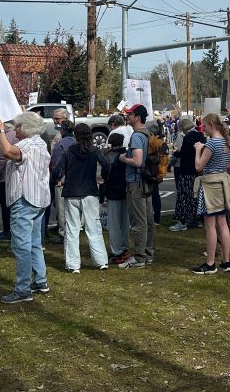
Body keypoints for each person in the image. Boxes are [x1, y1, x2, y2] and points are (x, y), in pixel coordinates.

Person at [0, 111, 51, 303]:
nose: (14, 129)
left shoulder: (26, 144)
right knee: (34, 242)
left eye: (17, 126)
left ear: (25, 128)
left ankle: (23, 289)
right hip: (39, 197)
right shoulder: (41, 142)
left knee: (22, 245)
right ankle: (40, 280)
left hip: (24, 198)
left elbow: (8, 152)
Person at [52, 123, 110, 272]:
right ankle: (101, 261)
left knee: (72, 228)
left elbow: (56, 169)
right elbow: (106, 164)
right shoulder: (95, 151)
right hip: (90, 192)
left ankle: (73, 265)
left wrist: (57, 178)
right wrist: (103, 177)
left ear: (75, 136)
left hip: (71, 192)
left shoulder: (68, 151)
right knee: (94, 227)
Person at [191, 113, 230, 274]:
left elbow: (198, 167)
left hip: (211, 185)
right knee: (222, 223)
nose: (204, 129)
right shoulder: (225, 142)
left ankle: (210, 263)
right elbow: (228, 164)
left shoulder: (211, 143)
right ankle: (226, 260)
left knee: (210, 225)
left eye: (205, 126)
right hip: (223, 183)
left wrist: (198, 150)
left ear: (211, 124)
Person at [118, 104, 154, 269]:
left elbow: (137, 161)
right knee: (148, 220)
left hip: (136, 182)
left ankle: (139, 258)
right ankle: (148, 254)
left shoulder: (137, 137)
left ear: (138, 117)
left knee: (139, 222)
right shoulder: (148, 133)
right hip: (146, 182)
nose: (128, 117)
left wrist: (124, 158)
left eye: (131, 114)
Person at [170, 117, 203, 232]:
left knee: (183, 196)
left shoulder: (188, 137)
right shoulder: (199, 135)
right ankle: (195, 219)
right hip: (196, 170)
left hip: (186, 170)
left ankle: (182, 221)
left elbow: (184, 153)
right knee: (194, 196)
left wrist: (177, 153)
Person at [102, 133, 131, 264]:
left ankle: (116, 250)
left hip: (112, 191)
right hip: (125, 190)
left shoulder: (108, 156)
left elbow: (104, 173)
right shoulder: (127, 154)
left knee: (114, 224)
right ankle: (124, 247)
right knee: (125, 221)